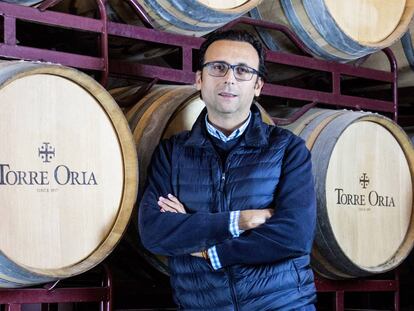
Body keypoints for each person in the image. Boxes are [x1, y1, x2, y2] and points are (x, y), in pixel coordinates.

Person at [138, 30, 317, 310]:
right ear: (199, 78)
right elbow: (153, 231)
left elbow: (294, 236)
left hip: (281, 304)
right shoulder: (172, 153)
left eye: (243, 70)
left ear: (258, 85)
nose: (229, 78)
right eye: (218, 67)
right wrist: (240, 221)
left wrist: (210, 252)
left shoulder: (288, 150)